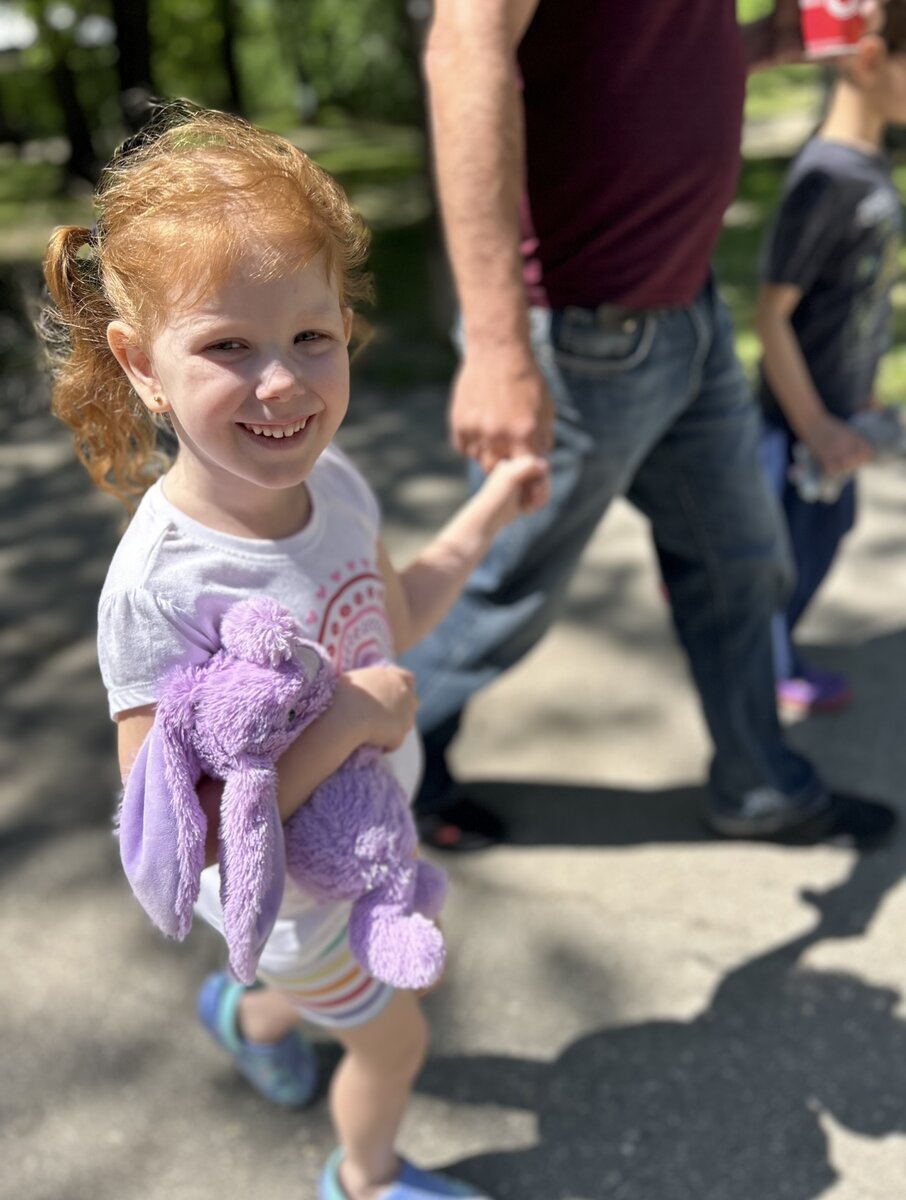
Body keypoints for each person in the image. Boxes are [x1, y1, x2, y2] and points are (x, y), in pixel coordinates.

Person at [41, 104, 548, 1200]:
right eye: (227, 346)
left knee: (338, 1004)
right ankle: (363, 1178)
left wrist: (489, 517)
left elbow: (393, 612)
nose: (284, 384)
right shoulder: (161, 588)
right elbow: (182, 837)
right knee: (394, 1043)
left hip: (362, 849)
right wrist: (355, 722)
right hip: (288, 902)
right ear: (139, 364)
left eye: (311, 337)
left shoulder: (336, 482)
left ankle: (249, 1014)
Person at [402, 0, 897, 850]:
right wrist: (495, 343)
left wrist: (757, 45)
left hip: (688, 310)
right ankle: (367, 781)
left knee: (743, 564)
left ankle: (758, 785)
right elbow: (465, 46)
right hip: (581, 330)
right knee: (494, 593)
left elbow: (625, 63)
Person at [756, 5, 906, 716]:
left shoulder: (870, 162)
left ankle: (773, 644)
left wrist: (864, 395)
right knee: (791, 549)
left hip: (842, 409)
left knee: (830, 528)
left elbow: (861, 302)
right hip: (798, 424)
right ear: (871, 60)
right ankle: (769, 662)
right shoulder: (827, 177)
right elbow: (771, 315)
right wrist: (814, 425)